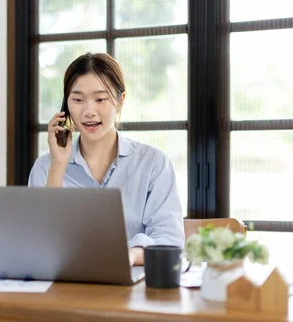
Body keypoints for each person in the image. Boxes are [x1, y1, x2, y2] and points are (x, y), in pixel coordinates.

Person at [28, 52, 184, 266]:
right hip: (64, 286)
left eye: (100, 99)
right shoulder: (46, 166)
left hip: (133, 288)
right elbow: (36, 242)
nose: (88, 111)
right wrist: (58, 165)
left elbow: (170, 240)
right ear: (66, 107)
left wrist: (129, 256)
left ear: (120, 101)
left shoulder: (153, 164)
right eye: (77, 100)